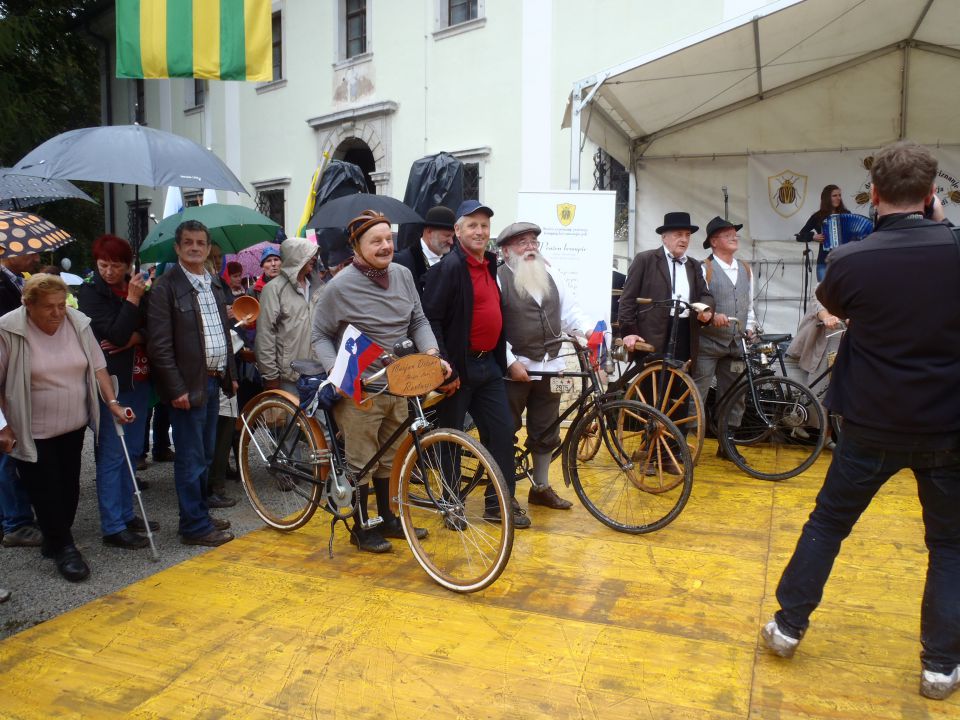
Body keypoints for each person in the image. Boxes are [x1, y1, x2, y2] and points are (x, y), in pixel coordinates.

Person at [760, 141, 960, 702]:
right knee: (949, 546)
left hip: (871, 422)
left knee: (828, 524)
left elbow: (836, 310)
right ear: (930, 196)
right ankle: (941, 666)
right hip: (945, 424)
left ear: (873, 196)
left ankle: (788, 628)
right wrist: (940, 224)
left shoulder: (852, 260)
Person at [312, 210, 445, 553]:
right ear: (356, 246)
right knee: (361, 459)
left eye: (389, 239)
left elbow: (417, 319)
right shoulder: (338, 286)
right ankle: (360, 527)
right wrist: (335, 372)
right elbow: (320, 334)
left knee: (392, 455)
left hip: (399, 381)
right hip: (360, 387)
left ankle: (387, 517)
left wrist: (430, 350)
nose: (386, 246)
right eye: (376, 241)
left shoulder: (402, 274)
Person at [0, 274, 135, 581]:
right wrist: (3, 426)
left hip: (73, 425)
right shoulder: (9, 329)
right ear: (28, 305)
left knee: (69, 491)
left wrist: (112, 403)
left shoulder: (76, 322)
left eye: (61, 305)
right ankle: (65, 548)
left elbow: (98, 366)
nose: (57, 313)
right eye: (49, 307)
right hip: (32, 430)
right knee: (46, 491)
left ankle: (54, 536)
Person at [422, 200, 531, 528]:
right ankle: (451, 505)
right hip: (459, 369)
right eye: (472, 225)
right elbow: (432, 319)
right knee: (452, 438)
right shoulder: (448, 268)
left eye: (484, 225)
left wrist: (504, 361)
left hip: (490, 368)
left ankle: (497, 504)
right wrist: (445, 367)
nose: (480, 231)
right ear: (457, 231)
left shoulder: (490, 265)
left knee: (502, 433)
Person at [148, 220, 237, 547]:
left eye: (201, 242)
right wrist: (175, 389)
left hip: (214, 382)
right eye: (189, 242)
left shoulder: (212, 283)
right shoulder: (165, 287)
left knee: (205, 454)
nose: (195, 247)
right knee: (190, 458)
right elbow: (159, 346)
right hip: (188, 387)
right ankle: (194, 526)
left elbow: (222, 333)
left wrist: (231, 375)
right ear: (178, 247)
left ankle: (198, 514)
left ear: (207, 246)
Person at [497, 221, 590, 511]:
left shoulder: (551, 274)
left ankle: (540, 487)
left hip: (550, 365)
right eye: (522, 242)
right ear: (506, 250)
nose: (529, 247)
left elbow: (572, 311)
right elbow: (493, 328)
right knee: (505, 430)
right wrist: (511, 362)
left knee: (545, 428)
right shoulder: (498, 278)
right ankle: (503, 493)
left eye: (533, 242)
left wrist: (589, 333)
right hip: (515, 369)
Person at [77, 234, 156, 549]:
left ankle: (126, 512)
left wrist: (137, 337)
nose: (109, 271)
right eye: (103, 265)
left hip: (140, 378)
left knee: (133, 451)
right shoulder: (91, 292)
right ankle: (113, 525)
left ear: (128, 265)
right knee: (113, 452)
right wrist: (132, 302)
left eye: (116, 265)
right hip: (113, 380)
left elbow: (154, 328)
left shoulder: (139, 288)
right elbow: (114, 333)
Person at [691, 216, 755, 462]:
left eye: (735, 233)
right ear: (714, 241)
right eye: (727, 233)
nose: (734, 236)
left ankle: (727, 444)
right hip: (708, 343)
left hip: (735, 343)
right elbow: (694, 301)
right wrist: (711, 314)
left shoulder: (746, 269)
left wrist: (750, 327)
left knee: (735, 395)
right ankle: (685, 443)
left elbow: (749, 306)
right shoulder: (702, 267)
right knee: (697, 392)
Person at [619, 211, 714, 362]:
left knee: (681, 381)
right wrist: (629, 331)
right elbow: (627, 299)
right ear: (664, 237)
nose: (684, 239)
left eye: (688, 235)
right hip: (652, 334)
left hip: (685, 332)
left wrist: (706, 309)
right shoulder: (645, 260)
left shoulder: (694, 265)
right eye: (678, 234)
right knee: (653, 382)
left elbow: (706, 295)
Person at [0, 252, 42, 549]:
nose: (35, 254)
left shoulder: (14, 281)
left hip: (14, 376)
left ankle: (15, 518)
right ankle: (17, 523)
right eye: (28, 249)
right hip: (5, 376)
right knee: (8, 453)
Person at [255, 237, 321, 394]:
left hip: (318, 373)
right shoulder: (273, 289)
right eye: (308, 254)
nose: (313, 259)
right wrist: (270, 375)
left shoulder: (319, 287)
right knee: (292, 419)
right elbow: (265, 334)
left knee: (319, 419)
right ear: (296, 257)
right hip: (289, 377)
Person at [393, 205, 456, 296]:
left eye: (452, 237)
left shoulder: (453, 262)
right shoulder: (403, 261)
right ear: (429, 232)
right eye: (447, 236)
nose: (451, 241)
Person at [798, 184, 849, 281]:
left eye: (839, 195)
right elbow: (800, 236)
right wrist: (813, 237)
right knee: (823, 294)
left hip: (843, 262)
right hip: (824, 262)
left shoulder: (846, 215)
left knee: (841, 295)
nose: (838, 198)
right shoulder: (817, 216)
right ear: (826, 198)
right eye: (835, 196)